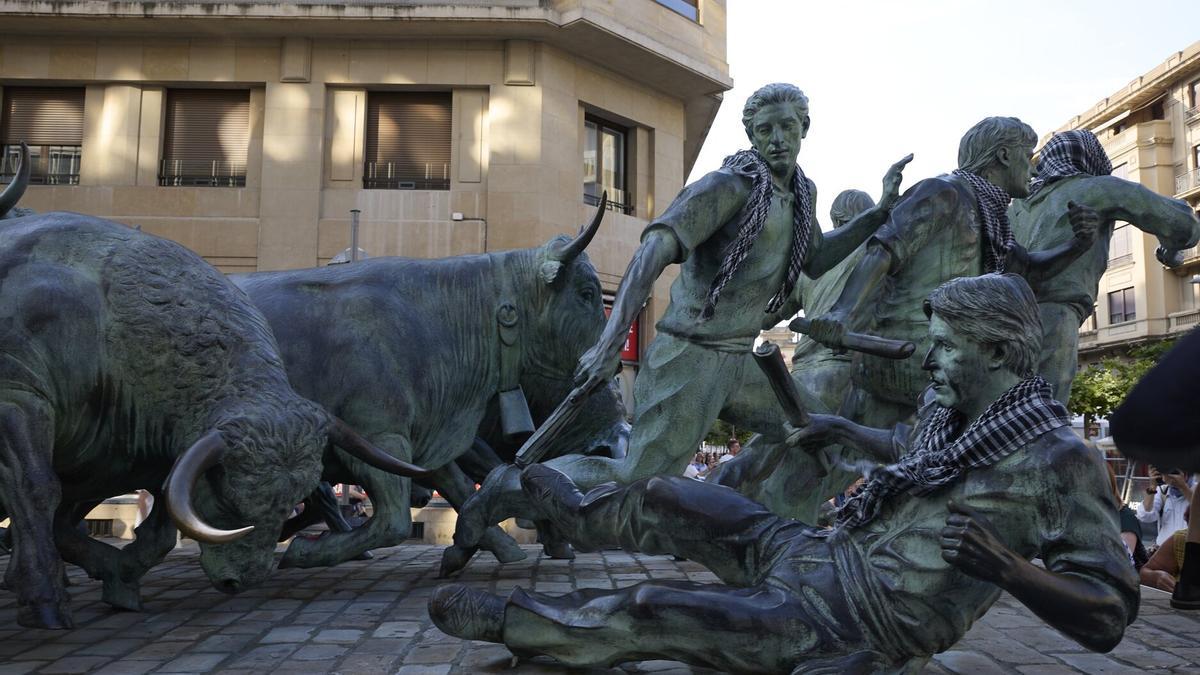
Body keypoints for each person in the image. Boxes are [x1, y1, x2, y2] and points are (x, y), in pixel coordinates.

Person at [429, 274, 1137, 673]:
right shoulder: (950, 415)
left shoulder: (1058, 461)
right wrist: (842, 429)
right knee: (672, 495)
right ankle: (577, 514)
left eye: (946, 349)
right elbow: (909, 451)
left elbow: (1107, 613)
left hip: (858, 617)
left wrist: (1010, 567)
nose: (929, 363)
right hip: (818, 551)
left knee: (655, 608)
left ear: (997, 351)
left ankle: (524, 624)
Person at [445, 84, 911, 571]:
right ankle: (503, 492)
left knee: (815, 433)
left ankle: (780, 550)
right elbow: (654, 250)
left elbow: (815, 257)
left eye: (786, 127)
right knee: (635, 477)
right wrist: (611, 341)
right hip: (688, 356)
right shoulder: (728, 187)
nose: (776, 139)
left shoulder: (798, 194)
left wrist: (878, 213)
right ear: (750, 134)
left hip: (739, 359)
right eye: (764, 129)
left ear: (804, 130)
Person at [807, 117, 1098, 429]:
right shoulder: (941, 192)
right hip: (911, 358)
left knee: (852, 457)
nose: (1034, 169)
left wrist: (1078, 244)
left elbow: (1027, 270)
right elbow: (883, 250)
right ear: (1003, 156)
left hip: (943, 361)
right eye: (1028, 157)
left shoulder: (993, 217)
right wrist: (841, 313)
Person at [1010, 129, 1200, 399]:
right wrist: (1170, 247)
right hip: (1054, 314)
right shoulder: (1097, 187)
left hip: (1002, 316)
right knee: (1042, 413)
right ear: (1091, 157)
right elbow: (1184, 225)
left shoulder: (1016, 206)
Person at [1137, 467, 1196, 548]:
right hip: (1163, 552)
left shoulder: (1197, 490)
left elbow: (1198, 507)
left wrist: (1183, 487)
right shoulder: (1162, 491)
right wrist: (1152, 486)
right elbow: (1145, 516)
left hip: (1190, 552)